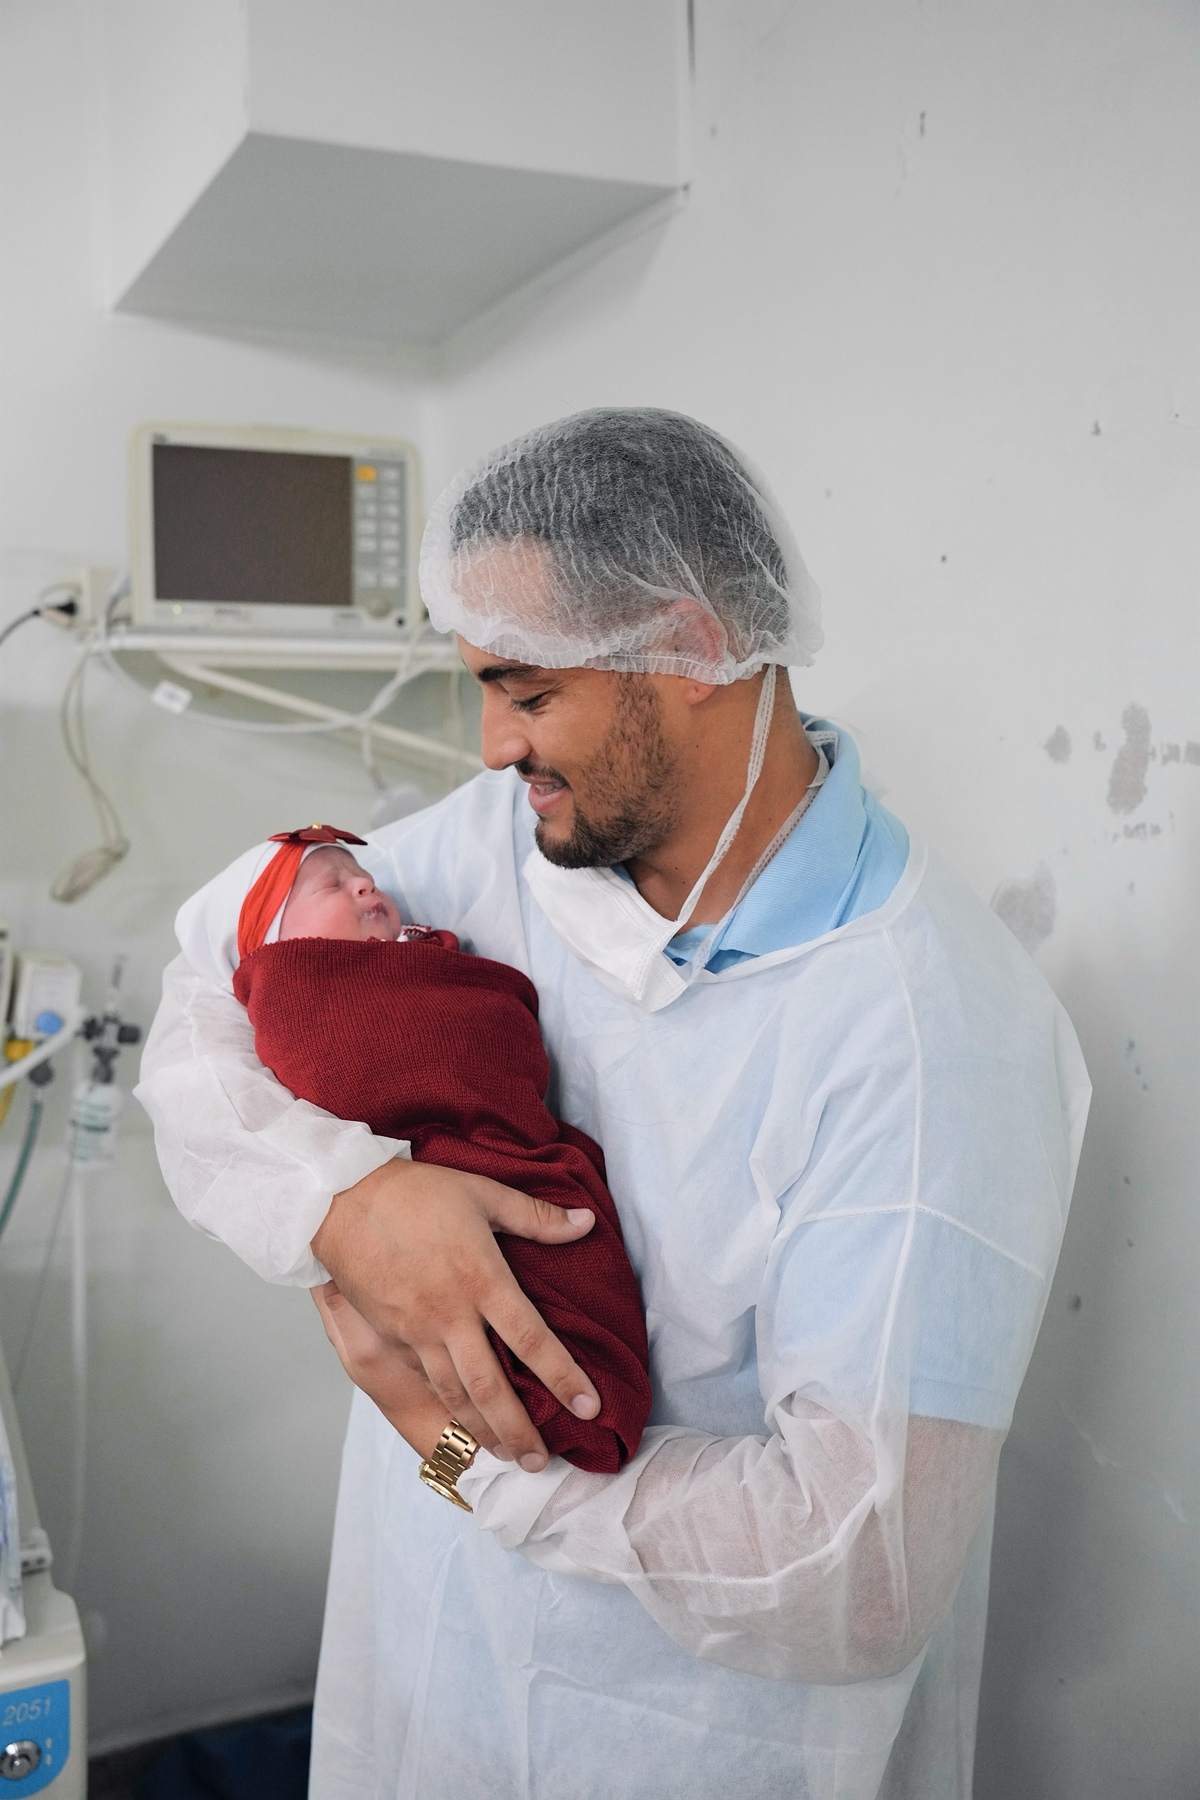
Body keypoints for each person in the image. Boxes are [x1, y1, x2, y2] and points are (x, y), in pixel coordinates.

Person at [136, 408, 1090, 1800]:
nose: (488, 746)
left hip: (681, 1745)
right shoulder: (500, 845)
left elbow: (860, 1575)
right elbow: (210, 992)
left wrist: (471, 1466)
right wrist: (343, 1201)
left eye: (525, 692)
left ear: (692, 647)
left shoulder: (933, 1032)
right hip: (424, 1671)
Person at [174, 820, 650, 1476]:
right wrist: (348, 1198)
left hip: (463, 1448)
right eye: (332, 885)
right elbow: (198, 1060)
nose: (366, 884)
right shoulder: (447, 845)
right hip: (431, 1475)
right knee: (478, 1387)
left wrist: (441, 1449)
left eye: (360, 876)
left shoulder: (472, 858)